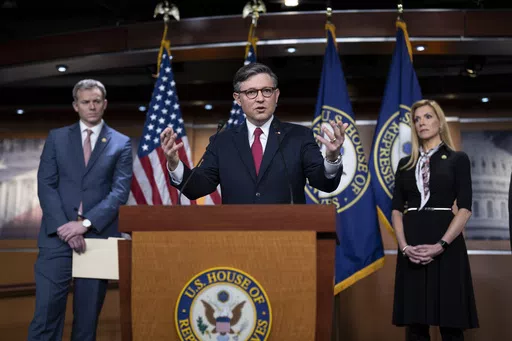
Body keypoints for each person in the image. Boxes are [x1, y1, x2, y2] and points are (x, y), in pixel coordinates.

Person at [27, 79, 133, 341]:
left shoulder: (121, 143)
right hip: (56, 237)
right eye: (86, 102)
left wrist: (84, 224)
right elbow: (46, 185)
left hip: (97, 238)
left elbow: (119, 192)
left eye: (97, 101)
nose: (92, 106)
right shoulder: (57, 138)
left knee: (86, 324)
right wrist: (67, 228)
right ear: (76, 106)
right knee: (46, 316)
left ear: (104, 103)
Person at [160, 62, 348, 203]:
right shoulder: (222, 141)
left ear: (276, 95)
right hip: (235, 239)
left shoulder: (299, 137)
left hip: (289, 239)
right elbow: (197, 188)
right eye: (251, 92)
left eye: (266, 91)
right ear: (238, 98)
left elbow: (324, 183)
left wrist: (331, 158)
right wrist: (174, 163)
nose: (260, 99)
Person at [391, 99, 479, 340]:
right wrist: (404, 247)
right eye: (417, 119)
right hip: (412, 247)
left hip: (447, 245)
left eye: (428, 117)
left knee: (450, 324)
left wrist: (441, 245)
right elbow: (396, 209)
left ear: (439, 122)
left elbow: (465, 208)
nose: (422, 123)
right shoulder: (404, 165)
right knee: (415, 325)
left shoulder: (457, 159)